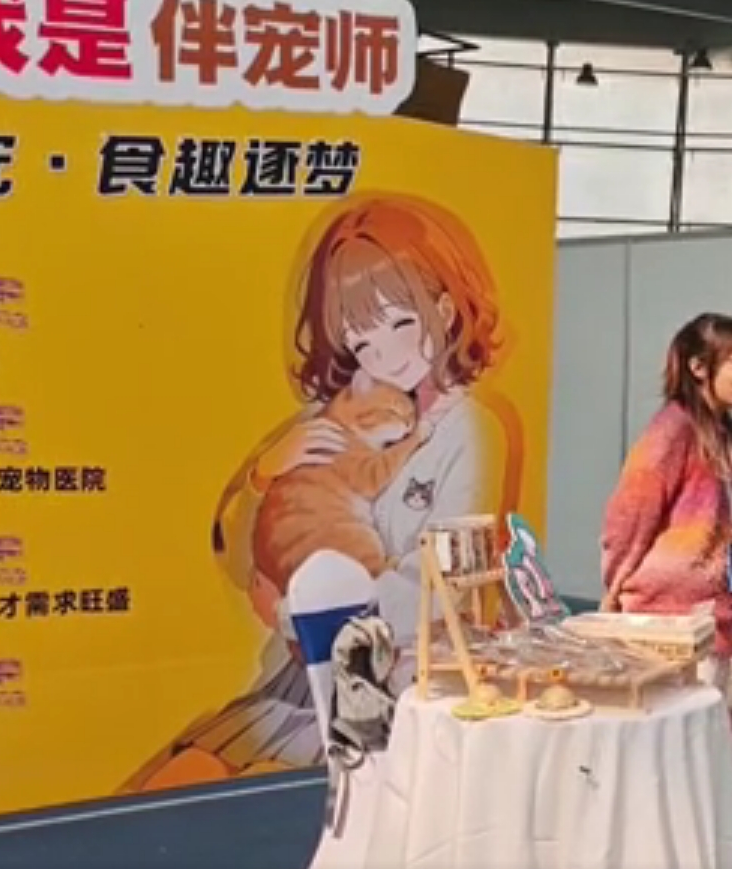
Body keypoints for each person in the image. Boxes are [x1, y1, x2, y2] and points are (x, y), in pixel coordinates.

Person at [129, 193, 514, 791]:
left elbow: (438, 588)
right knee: (173, 785)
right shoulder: (333, 416)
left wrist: (296, 613)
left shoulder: (470, 430)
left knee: (255, 797)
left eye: (400, 323)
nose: (384, 355)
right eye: (361, 341)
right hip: (295, 677)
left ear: (443, 309)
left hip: (395, 679)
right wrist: (262, 477)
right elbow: (238, 556)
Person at [601, 313, 732, 684]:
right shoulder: (673, 429)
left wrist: (730, 597)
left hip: (711, 622)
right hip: (665, 626)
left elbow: (729, 539)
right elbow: (627, 517)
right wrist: (616, 587)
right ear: (698, 367)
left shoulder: (725, 439)